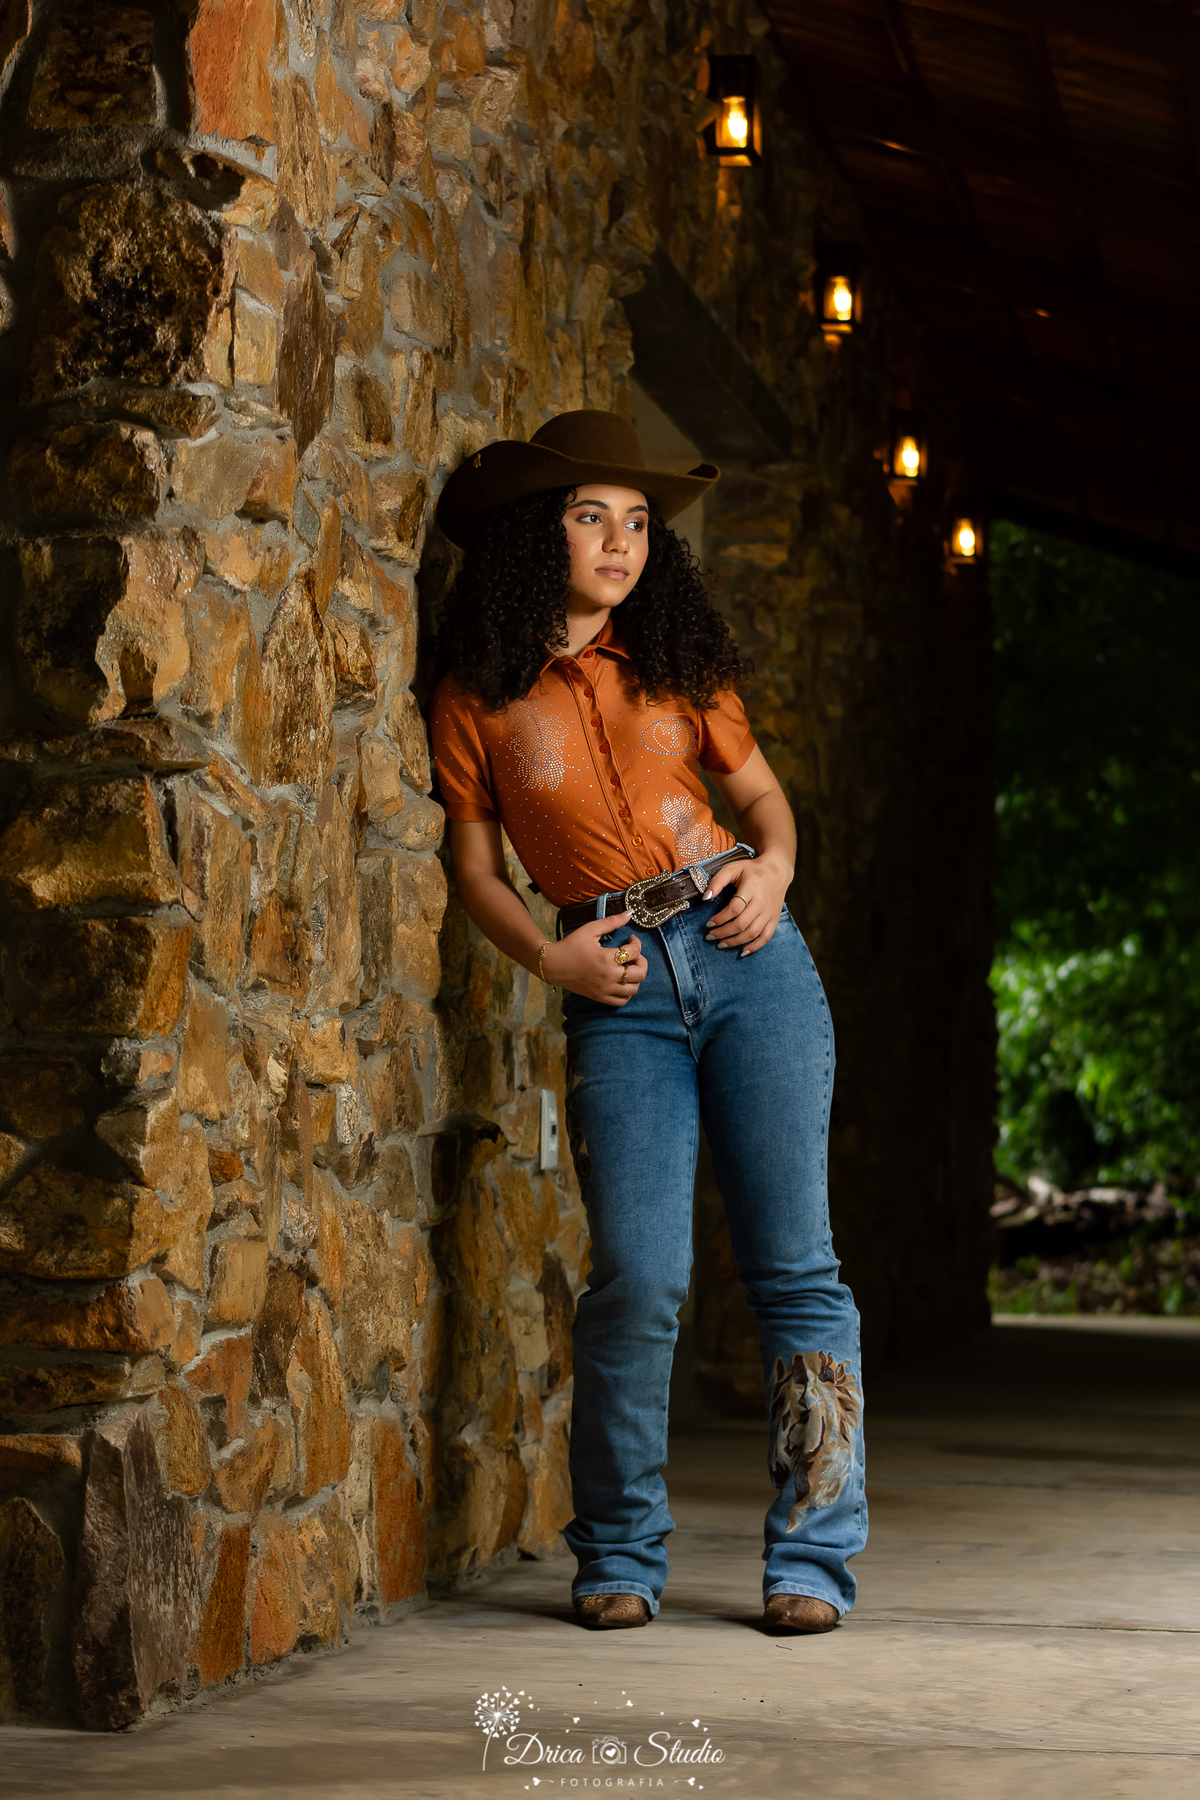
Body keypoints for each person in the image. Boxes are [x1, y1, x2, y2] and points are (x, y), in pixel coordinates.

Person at [429, 409, 865, 1634]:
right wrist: (554, 963)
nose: (621, 542)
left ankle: (810, 1564)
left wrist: (773, 872)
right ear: (537, 531)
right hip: (613, 984)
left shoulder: (676, 655)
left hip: (749, 955)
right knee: (638, 1275)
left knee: (796, 1268)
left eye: (636, 522)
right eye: (591, 516)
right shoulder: (474, 697)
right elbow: (476, 873)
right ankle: (618, 1554)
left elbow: (762, 797)